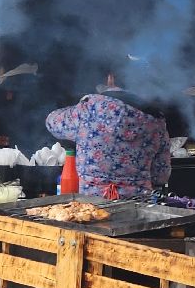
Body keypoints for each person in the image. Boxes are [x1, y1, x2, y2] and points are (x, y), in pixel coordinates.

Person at [46, 66, 171, 199]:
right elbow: (161, 175)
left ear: (110, 79)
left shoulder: (90, 107)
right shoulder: (155, 120)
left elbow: (52, 122)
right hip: (138, 204)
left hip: (91, 204)